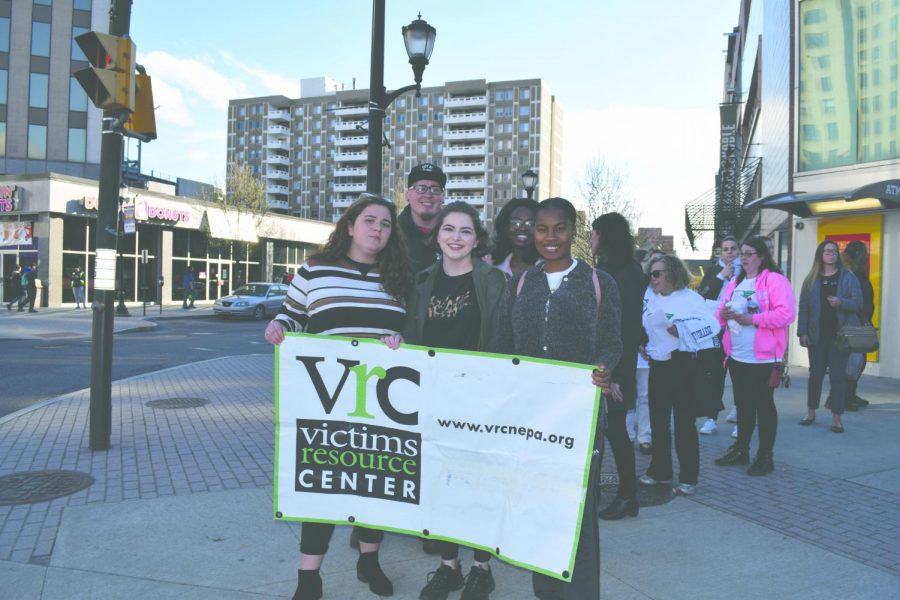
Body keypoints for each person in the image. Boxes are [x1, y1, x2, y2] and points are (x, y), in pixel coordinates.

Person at [263, 194, 413, 600]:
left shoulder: (398, 276)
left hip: (382, 400)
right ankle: (308, 578)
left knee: (374, 483)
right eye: (369, 220)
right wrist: (279, 323)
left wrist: (403, 340)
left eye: (385, 224)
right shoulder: (315, 269)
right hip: (324, 397)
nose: (377, 229)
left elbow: (413, 332)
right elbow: (292, 312)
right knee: (322, 485)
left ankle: (369, 560)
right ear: (349, 225)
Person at [501, 197, 622, 600]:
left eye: (559, 228)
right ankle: (547, 592)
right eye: (541, 228)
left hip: (580, 418)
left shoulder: (600, 283)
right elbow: (505, 347)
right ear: (531, 232)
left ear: (574, 231)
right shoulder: (520, 283)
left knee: (579, 514)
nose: (550, 237)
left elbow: (613, 342)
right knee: (539, 510)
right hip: (531, 419)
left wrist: (605, 366)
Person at [387, 201, 508, 600]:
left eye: (466, 230)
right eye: (449, 229)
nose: (456, 237)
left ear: (477, 239)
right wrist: (398, 343)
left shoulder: (494, 282)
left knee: (479, 484)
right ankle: (448, 566)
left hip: (478, 399)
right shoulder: (422, 281)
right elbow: (412, 333)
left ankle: (482, 567)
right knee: (440, 484)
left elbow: (504, 341)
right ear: (436, 236)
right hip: (433, 399)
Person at [638, 254, 720, 495]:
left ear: (672, 273)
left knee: (684, 423)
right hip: (658, 363)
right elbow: (645, 324)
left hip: (683, 365)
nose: (652, 279)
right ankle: (660, 471)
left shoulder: (691, 298)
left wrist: (681, 330)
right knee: (658, 421)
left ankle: (688, 477)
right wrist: (642, 342)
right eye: (650, 274)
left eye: (657, 274)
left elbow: (712, 326)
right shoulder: (650, 297)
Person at [714, 237, 796, 474]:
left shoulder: (774, 280)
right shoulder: (735, 282)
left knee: (764, 406)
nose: (744, 258)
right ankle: (741, 450)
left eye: (749, 253)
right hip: (738, 355)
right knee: (743, 405)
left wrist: (754, 319)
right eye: (743, 253)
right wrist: (725, 313)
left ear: (761, 256)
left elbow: (787, 314)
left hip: (764, 357)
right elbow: (720, 313)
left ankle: (765, 456)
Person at [591, 213, 646, 520]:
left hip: (612, 372)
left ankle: (628, 496)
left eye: (595, 234)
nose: (591, 240)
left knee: (615, 433)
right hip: (604, 369)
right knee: (606, 433)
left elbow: (625, 330)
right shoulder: (609, 270)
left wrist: (614, 377)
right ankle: (617, 494)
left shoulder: (624, 275)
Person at [797, 239, 862, 433]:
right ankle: (811, 412)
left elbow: (858, 303)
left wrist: (841, 303)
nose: (831, 254)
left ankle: (836, 418)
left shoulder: (848, 277)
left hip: (839, 337)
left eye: (834, 251)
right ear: (820, 255)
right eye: (827, 251)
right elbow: (804, 308)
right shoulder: (811, 279)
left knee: (838, 377)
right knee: (815, 376)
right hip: (817, 337)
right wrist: (802, 332)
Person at [696, 236, 741, 437]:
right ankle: (711, 418)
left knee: (740, 375)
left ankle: (741, 417)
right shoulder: (714, 271)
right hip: (717, 330)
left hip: (740, 330)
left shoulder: (746, 271)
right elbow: (703, 294)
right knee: (715, 375)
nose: (730, 252)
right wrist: (722, 275)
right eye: (726, 249)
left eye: (733, 248)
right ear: (721, 252)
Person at [842, 241, 875, 409]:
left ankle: (850, 395)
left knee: (859, 361)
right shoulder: (849, 273)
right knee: (852, 362)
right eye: (863, 253)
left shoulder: (857, 271)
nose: (866, 256)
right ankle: (841, 398)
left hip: (862, 322)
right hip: (854, 324)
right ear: (857, 254)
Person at [399, 162, 446, 274]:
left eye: (435, 189)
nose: (428, 195)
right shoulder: (393, 234)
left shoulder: (455, 235)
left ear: (442, 197)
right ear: (407, 195)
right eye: (420, 188)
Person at [488, 197, 540, 276]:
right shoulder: (493, 268)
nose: (523, 228)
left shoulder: (547, 267)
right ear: (505, 226)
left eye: (530, 224)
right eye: (515, 222)